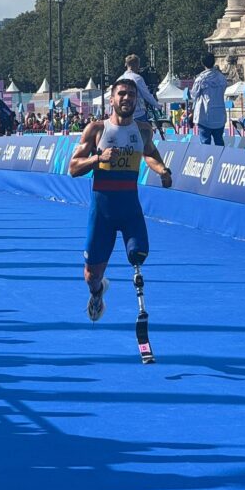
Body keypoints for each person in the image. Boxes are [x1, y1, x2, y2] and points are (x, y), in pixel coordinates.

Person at [69, 78, 173, 326]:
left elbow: (150, 155)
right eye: (122, 94)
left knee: (138, 254)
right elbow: (73, 168)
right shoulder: (96, 130)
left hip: (130, 210)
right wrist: (98, 158)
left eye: (131, 95)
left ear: (136, 100)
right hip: (102, 213)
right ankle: (97, 292)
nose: (126, 99)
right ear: (112, 99)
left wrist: (163, 171)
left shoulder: (143, 130)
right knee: (91, 275)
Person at [191, 53, 228, 146]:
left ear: (203, 63)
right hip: (219, 115)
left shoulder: (200, 79)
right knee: (219, 142)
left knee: (205, 144)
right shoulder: (222, 78)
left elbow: (193, 95)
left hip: (204, 115)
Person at [118, 54, 162, 122]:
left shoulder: (119, 79)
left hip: (122, 114)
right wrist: (157, 106)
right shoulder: (137, 78)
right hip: (137, 114)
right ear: (137, 65)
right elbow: (146, 95)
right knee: (144, 131)